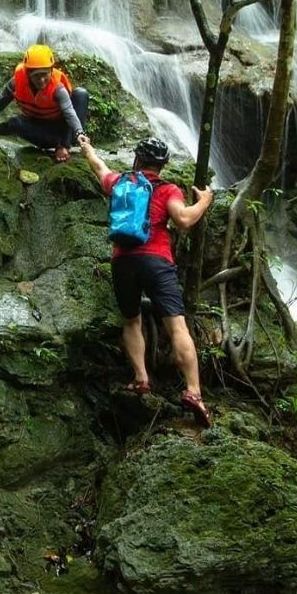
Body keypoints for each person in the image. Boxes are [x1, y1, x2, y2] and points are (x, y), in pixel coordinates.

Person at [77, 133, 215, 426]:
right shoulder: (167, 190)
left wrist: (87, 147)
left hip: (123, 261)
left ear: (137, 159)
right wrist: (204, 201)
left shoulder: (120, 183)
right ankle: (194, 392)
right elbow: (184, 219)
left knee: (131, 321)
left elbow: (99, 166)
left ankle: (141, 378)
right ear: (162, 166)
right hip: (157, 260)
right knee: (177, 326)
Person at [0, 44, 89, 163]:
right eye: (36, 76)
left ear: (51, 71)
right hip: (42, 133)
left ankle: (64, 145)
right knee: (15, 122)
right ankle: (57, 144)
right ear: (28, 73)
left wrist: (78, 133)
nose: (42, 80)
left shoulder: (58, 89)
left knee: (81, 94)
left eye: (45, 74)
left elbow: (69, 112)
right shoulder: (16, 83)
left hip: (65, 129)